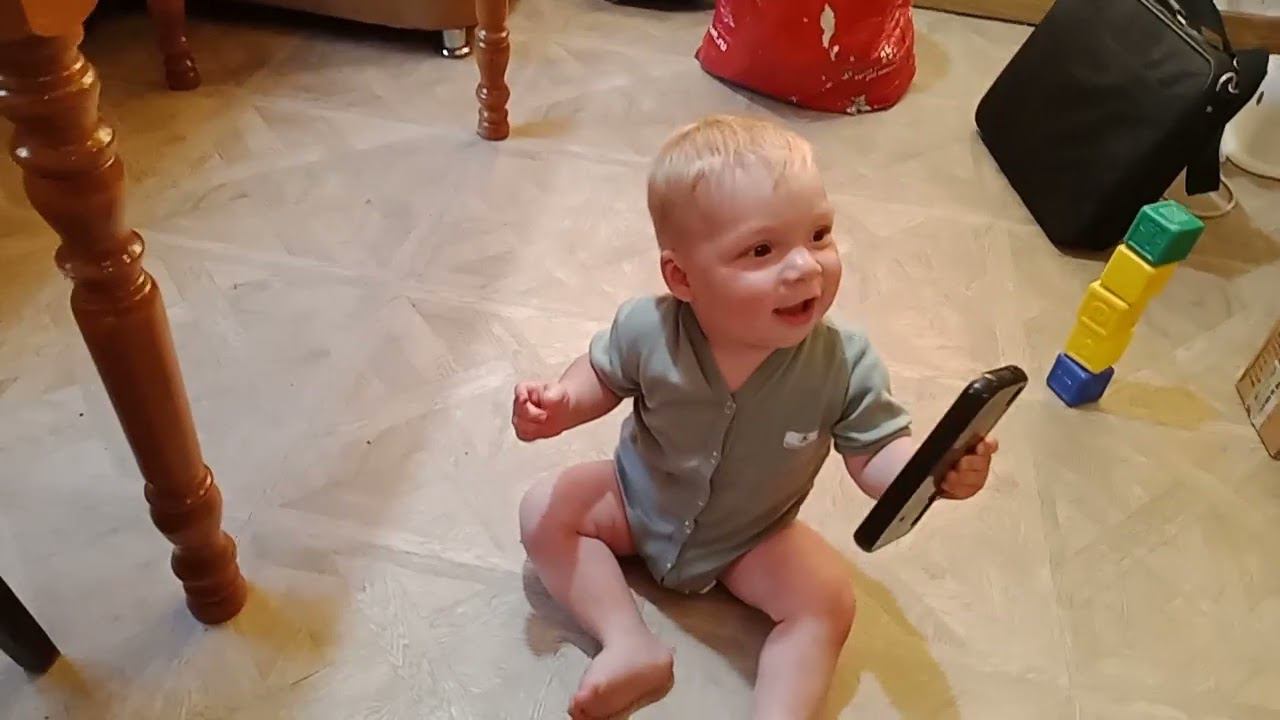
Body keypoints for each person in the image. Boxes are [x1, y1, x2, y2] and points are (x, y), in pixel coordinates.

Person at [512, 115, 998, 720]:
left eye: (819, 235)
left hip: (752, 536)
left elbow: (875, 455)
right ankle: (627, 643)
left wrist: (929, 472)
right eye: (762, 250)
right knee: (544, 509)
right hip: (637, 500)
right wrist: (563, 401)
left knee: (827, 601)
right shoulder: (648, 328)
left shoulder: (844, 362)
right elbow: (602, 375)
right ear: (682, 277)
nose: (806, 267)